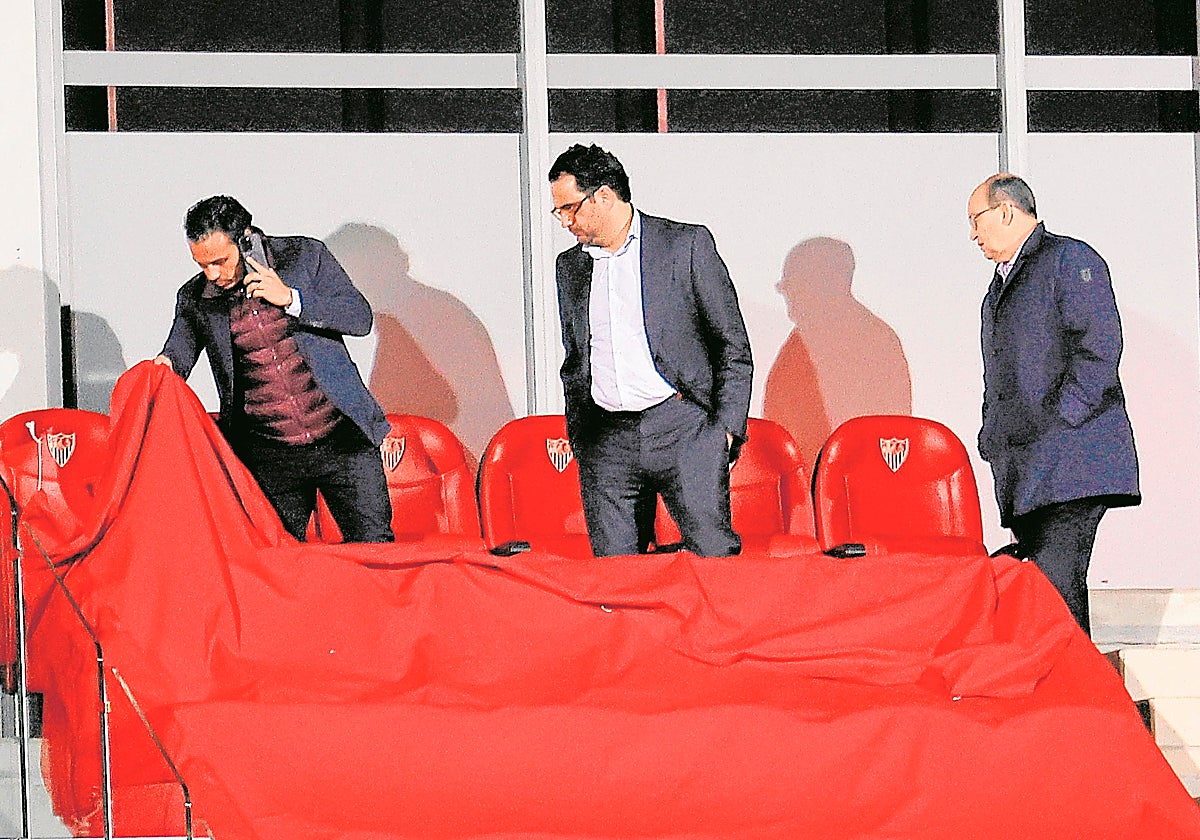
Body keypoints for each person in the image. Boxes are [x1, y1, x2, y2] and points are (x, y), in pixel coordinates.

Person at [549, 144, 753, 557]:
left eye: (570, 208)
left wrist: (725, 431)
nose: (565, 221)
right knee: (617, 579)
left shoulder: (685, 245)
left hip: (684, 428)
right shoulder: (570, 266)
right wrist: (581, 434)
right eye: (560, 212)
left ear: (603, 196)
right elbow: (576, 357)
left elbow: (731, 346)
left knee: (714, 560)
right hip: (605, 442)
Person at [154, 195, 393, 542]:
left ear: (246, 238)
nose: (212, 274)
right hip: (270, 457)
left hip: (343, 440)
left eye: (220, 261)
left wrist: (292, 299)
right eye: (202, 264)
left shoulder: (304, 257)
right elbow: (178, 352)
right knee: (277, 568)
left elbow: (359, 318)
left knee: (376, 553)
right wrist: (163, 366)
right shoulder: (195, 297)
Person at [968, 174, 1139, 633]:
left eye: (976, 220)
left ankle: (1084, 696)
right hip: (1031, 473)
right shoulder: (1000, 285)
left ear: (1005, 212)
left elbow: (1100, 345)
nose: (973, 235)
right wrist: (993, 436)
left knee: (1053, 587)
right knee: (1048, 590)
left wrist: (1062, 418)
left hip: (1071, 467)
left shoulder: (1068, 259)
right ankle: (1079, 694)